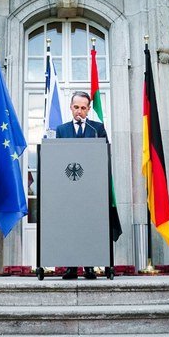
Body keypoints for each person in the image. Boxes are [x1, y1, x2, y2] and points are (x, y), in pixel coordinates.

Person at [56, 91, 107, 280]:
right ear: (71, 108)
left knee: (89, 228)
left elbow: (104, 155)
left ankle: (89, 266)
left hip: (91, 190)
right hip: (69, 189)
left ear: (88, 110)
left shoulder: (97, 129)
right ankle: (70, 267)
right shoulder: (62, 130)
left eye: (83, 108)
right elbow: (58, 158)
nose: (79, 111)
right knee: (70, 227)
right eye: (76, 107)